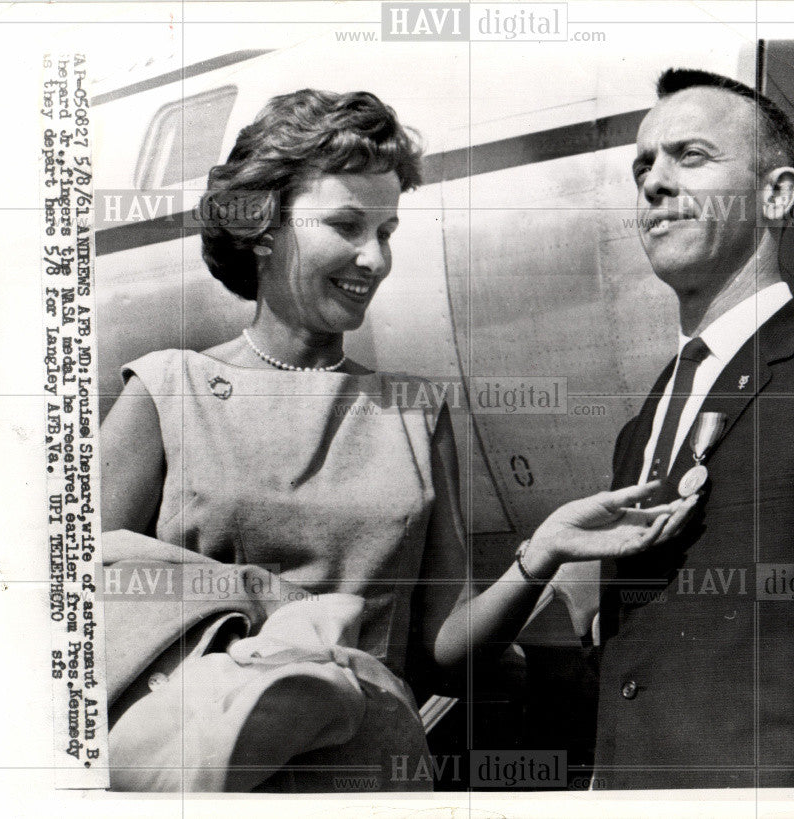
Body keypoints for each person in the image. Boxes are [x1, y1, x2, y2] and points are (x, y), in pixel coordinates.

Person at [100, 88, 697, 792]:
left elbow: (447, 657)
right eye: (348, 225)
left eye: (386, 232)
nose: (375, 259)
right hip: (205, 778)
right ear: (263, 227)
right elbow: (69, 611)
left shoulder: (416, 409)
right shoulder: (167, 392)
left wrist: (543, 552)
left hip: (372, 776)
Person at [592, 69, 794, 789]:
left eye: (690, 156)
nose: (653, 181)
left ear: (776, 193)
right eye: (643, 165)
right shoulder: (640, 428)